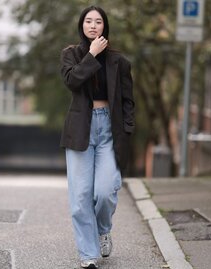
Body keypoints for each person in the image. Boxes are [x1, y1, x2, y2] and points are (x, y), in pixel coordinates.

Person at [60, 5, 135, 269]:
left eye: (98, 22)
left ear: (105, 27)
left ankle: (103, 230)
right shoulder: (71, 54)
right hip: (81, 128)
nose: (93, 25)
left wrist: (126, 129)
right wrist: (91, 55)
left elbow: (128, 101)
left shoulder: (119, 61)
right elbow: (72, 81)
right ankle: (88, 253)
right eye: (88, 21)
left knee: (104, 191)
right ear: (82, 25)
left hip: (109, 130)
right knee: (80, 197)